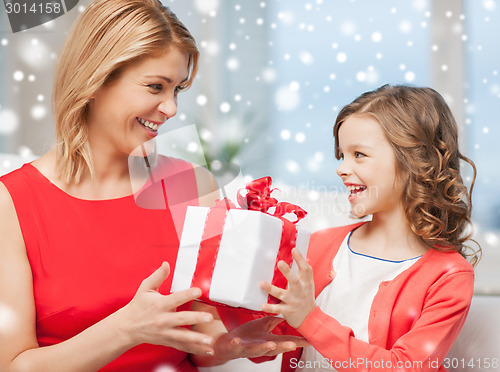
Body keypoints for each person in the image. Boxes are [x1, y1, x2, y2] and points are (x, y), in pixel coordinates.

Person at [0, 1, 303, 371]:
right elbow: (13, 365)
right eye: (155, 86)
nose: (171, 109)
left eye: (177, 90)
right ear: (95, 80)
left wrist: (225, 345)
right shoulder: (12, 203)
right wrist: (126, 329)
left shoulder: (193, 185)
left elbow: (197, 341)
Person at [260, 84, 481, 372]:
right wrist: (252, 334)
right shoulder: (319, 244)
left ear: (414, 160)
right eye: (342, 155)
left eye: (359, 154)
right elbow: (283, 338)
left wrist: (309, 319)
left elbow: (404, 367)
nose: (341, 168)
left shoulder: (450, 276)